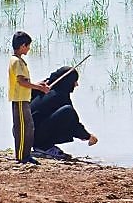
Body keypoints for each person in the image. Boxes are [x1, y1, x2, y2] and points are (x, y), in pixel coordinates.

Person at [30, 66, 98, 160]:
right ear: (68, 81)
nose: (76, 84)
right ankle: (43, 146)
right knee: (68, 111)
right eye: (74, 81)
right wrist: (88, 136)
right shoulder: (60, 95)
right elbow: (73, 121)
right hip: (35, 136)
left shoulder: (42, 89)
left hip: (26, 135)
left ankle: (43, 145)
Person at [7, 31, 49, 165]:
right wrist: (39, 88)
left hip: (24, 99)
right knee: (22, 128)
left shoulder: (19, 61)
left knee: (29, 127)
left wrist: (38, 84)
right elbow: (21, 81)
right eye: (28, 45)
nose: (29, 48)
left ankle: (26, 154)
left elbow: (25, 81)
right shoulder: (16, 62)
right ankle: (21, 156)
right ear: (22, 46)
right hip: (19, 99)